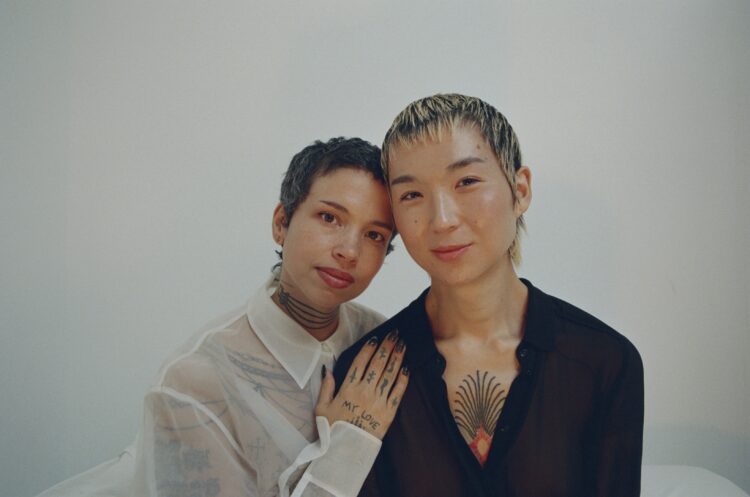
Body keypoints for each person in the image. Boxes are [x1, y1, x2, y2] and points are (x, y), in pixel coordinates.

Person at [37, 137, 409, 497]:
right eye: (329, 217)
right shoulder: (195, 384)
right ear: (282, 222)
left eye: (375, 235)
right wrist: (347, 444)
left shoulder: (385, 345)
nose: (349, 250)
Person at [334, 94, 644, 497]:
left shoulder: (604, 361)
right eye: (412, 195)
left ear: (521, 189)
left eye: (466, 182)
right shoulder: (365, 374)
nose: (442, 220)